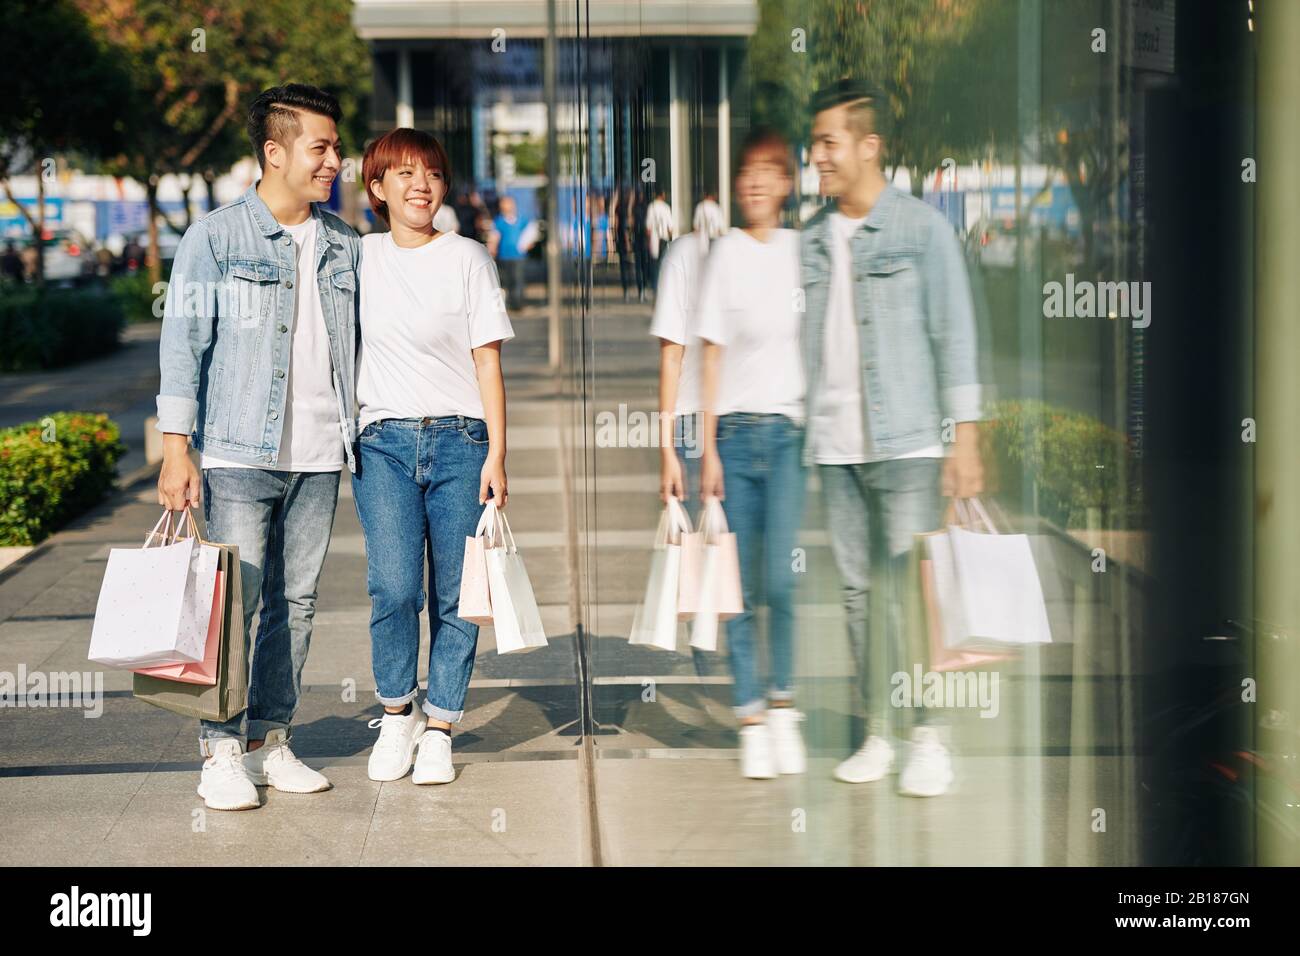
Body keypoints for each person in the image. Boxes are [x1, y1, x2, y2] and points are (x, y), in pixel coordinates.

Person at [155, 83, 361, 811]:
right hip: (239, 450)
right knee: (232, 605)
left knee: (295, 604)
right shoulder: (215, 238)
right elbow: (182, 344)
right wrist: (175, 447)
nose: (335, 159)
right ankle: (218, 751)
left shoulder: (345, 244)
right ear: (274, 152)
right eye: (321, 146)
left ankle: (271, 739)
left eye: (335, 146)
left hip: (318, 455)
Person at [803, 79, 983, 796]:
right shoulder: (814, 238)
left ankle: (930, 737)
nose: (818, 155)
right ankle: (879, 727)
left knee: (910, 592)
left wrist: (963, 439)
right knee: (857, 594)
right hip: (836, 446)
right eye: (815, 142)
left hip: (908, 442)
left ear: (868, 145)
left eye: (829, 142)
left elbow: (956, 336)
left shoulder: (921, 230)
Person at [354, 128, 513, 785]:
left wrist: (499, 453)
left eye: (434, 174)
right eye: (406, 173)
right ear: (377, 188)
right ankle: (398, 714)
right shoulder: (355, 259)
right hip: (383, 443)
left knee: (457, 595)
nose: (422, 184)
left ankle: (441, 724)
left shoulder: (469, 258)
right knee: (393, 589)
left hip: (462, 441)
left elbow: (487, 360)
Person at [696, 129, 807, 779]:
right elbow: (710, 356)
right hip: (734, 438)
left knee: (782, 580)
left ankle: (785, 703)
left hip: (789, 436)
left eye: (770, 171)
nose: (757, 181)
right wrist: (705, 448)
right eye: (748, 172)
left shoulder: (803, 252)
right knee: (736, 584)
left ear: (788, 184)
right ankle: (750, 714)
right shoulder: (725, 256)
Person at [651, 226, 712, 678]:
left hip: (763, 420)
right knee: (702, 554)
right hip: (696, 418)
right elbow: (672, 353)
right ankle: (715, 666)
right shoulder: (688, 253)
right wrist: (667, 447)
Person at [491, 195, 539, 307]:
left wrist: (529, 244)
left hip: (519, 256)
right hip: (504, 255)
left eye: (509, 203)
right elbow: (495, 237)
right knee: (506, 280)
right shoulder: (499, 221)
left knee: (518, 279)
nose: (506, 206)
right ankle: (509, 302)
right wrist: (492, 249)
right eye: (504, 204)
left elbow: (531, 233)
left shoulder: (523, 220)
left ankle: (518, 303)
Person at [644, 189, 675, 292]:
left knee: (654, 263)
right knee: (663, 262)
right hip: (664, 237)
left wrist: (648, 241)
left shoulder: (651, 207)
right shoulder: (666, 208)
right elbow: (670, 227)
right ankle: (663, 285)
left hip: (654, 238)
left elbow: (648, 228)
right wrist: (671, 238)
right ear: (663, 194)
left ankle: (655, 285)